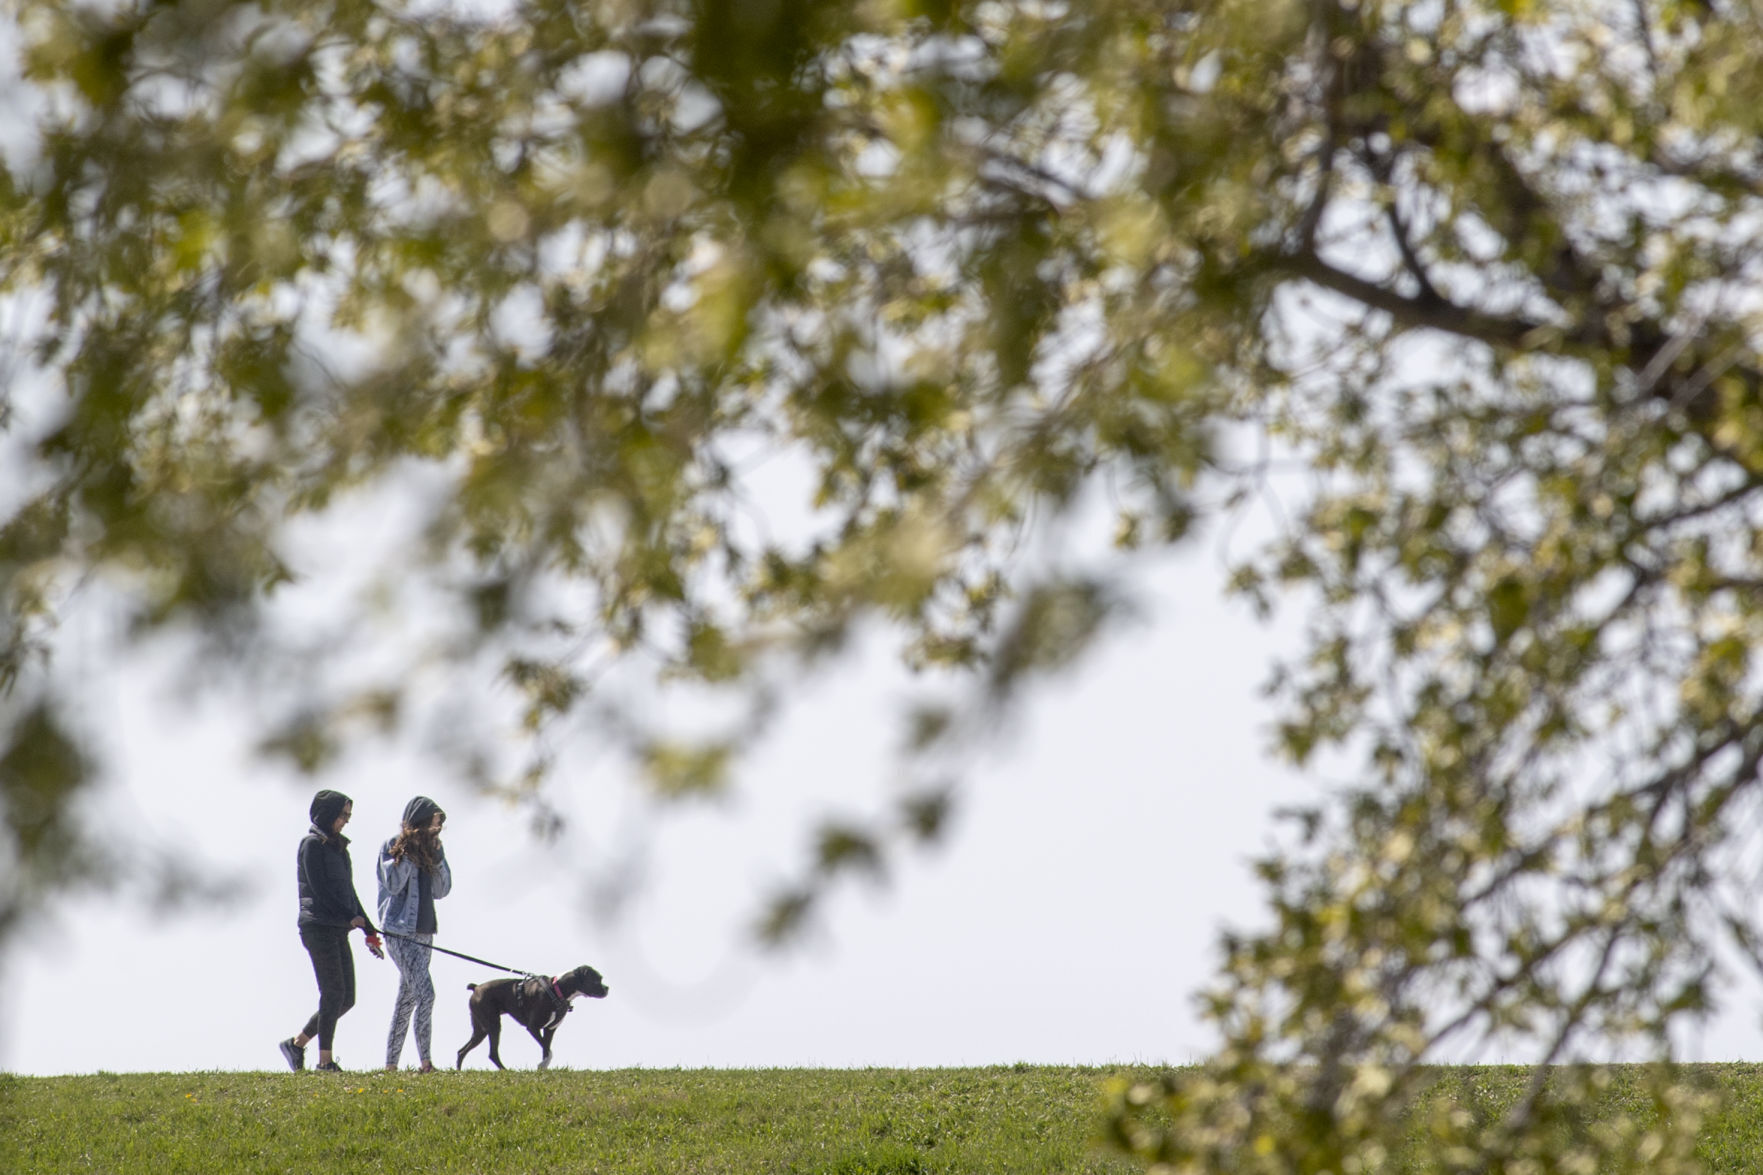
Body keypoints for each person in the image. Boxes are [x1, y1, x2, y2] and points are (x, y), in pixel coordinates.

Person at [279, 789, 383, 1072]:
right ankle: (324, 1062)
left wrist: (369, 930)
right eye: (342, 815)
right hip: (317, 927)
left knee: (347, 998)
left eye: (349, 816)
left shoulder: (340, 848)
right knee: (333, 992)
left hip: (338, 927)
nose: (346, 821)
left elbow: (349, 892)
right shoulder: (311, 844)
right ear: (328, 815)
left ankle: (296, 1044)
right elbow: (320, 890)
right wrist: (350, 917)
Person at [376, 795, 452, 1073]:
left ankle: (390, 1066)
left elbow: (441, 891)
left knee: (406, 1000)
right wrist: (408, 853)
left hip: (425, 933)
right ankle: (426, 1062)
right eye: (434, 824)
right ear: (420, 821)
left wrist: (437, 855)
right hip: (399, 932)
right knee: (427, 994)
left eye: (440, 825)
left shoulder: (432, 851)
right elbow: (393, 884)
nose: (438, 829)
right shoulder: (392, 846)